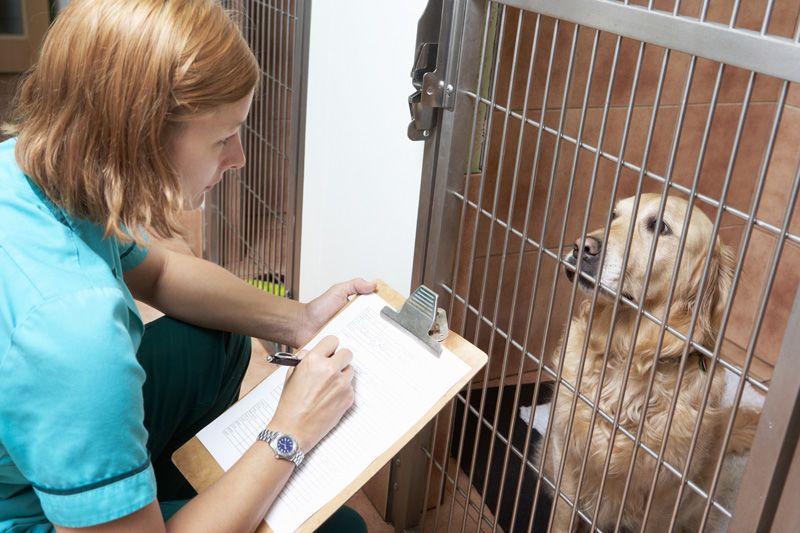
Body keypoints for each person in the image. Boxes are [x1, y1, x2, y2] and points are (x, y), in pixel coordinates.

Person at [0, 0, 375, 531]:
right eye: (224, 137)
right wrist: (290, 431)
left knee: (219, 340)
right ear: (142, 135)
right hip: (21, 510)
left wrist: (300, 319)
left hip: (26, 437)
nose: (239, 157)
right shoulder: (76, 333)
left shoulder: (30, 167)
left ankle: (147, 491)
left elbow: (159, 273)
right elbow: (80, 350)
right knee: (343, 529)